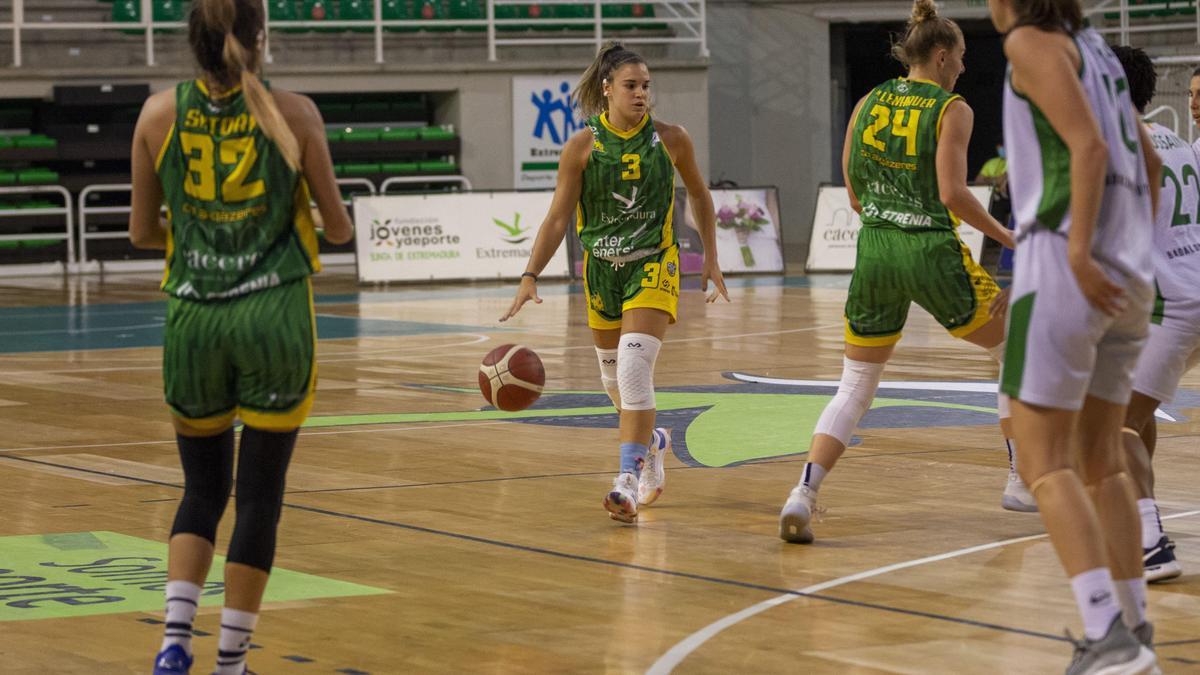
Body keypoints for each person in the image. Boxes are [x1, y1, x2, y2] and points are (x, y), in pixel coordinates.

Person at [128, 0, 352, 671]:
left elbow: (142, 232)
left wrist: (209, 240)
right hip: (273, 318)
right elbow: (337, 228)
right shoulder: (298, 114)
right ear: (260, 39)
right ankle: (229, 661)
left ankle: (173, 642)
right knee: (259, 496)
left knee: (200, 490)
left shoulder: (156, 115)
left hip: (194, 320)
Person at [778, 0, 1024, 546]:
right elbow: (953, 194)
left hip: (875, 253)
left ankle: (803, 492)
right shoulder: (952, 107)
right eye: (959, 58)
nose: (962, 68)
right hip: (930, 250)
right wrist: (1012, 238)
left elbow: (852, 186)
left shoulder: (867, 100)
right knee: (1018, 350)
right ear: (940, 58)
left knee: (856, 387)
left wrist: (887, 214)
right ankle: (1020, 479)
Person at [989, 0, 1163, 672]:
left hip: (1065, 262)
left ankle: (1106, 633)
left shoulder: (1031, 42)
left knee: (1045, 464)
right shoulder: (1094, 48)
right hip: (1131, 275)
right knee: (1103, 462)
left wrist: (1081, 251)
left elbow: (1087, 148)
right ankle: (1137, 627)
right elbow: (1144, 163)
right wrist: (1129, 251)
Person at [500, 42, 729, 523]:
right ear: (607, 90)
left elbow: (701, 198)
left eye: (646, 86)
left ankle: (626, 477)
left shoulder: (672, 139)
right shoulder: (582, 147)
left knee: (631, 368)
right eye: (631, 86)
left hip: (654, 263)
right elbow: (558, 217)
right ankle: (655, 441)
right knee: (612, 380)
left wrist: (711, 257)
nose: (641, 94)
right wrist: (529, 274)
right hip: (602, 269)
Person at [1113, 45, 1194, 584]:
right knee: (1135, 416)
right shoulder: (1183, 144)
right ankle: (1143, 511)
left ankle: (1150, 541)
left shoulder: (1118, 147)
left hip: (1171, 304)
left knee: (1111, 425)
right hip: (1194, 290)